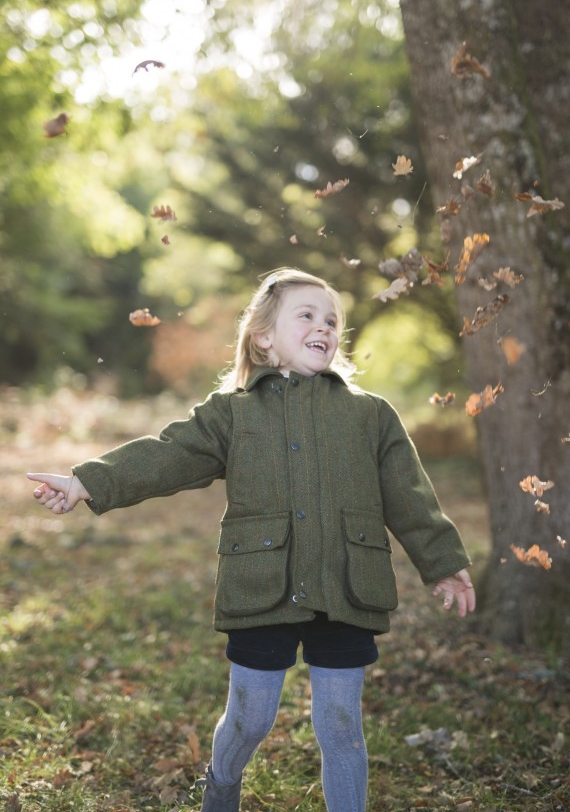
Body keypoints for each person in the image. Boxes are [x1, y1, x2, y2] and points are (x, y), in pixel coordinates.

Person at [28, 267, 476, 812]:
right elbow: (168, 455)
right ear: (264, 336)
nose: (324, 327)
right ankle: (221, 786)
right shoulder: (234, 414)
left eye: (332, 320)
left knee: (341, 728)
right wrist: (85, 482)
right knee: (249, 719)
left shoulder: (370, 416)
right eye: (307, 315)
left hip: (348, 587)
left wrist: (444, 562)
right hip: (263, 587)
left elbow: (410, 496)